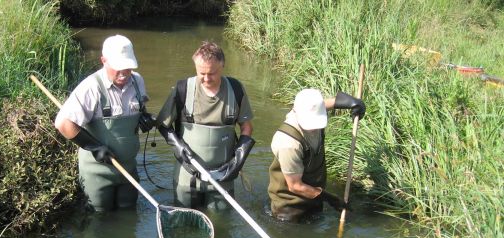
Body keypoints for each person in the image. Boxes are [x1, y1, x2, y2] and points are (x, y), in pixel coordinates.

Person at [54, 34, 155, 212]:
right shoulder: (91, 87)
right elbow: (63, 124)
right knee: (99, 220)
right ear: (103, 61)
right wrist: (94, 147)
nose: (124, 73)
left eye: (128, 67)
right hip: (97, 173)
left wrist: (143, 118)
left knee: (128, 214)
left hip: (128, 169)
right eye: (118, 68)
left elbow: (139, 109)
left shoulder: (138, 81)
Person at [156, 41, 255, 210]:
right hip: (187, 176)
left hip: (224, 177)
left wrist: (238, 161)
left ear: (222, 66)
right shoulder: (183, 89)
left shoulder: (236, 89)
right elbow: (163, 124)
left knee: (222, 225)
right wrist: (177, 146)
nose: (207, 78)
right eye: (202, 73)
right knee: (185, 225)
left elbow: (247, 127)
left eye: (212, 73)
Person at [267, 88, 365, 222]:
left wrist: (349, 102)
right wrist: (331, 199)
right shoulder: (288, 143)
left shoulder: (311, 110)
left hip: (314, 195)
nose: (314, 128)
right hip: (290, 206)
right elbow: (295, 186)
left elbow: (319, 106)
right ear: (296, 112)